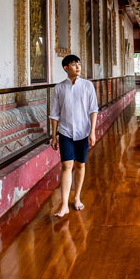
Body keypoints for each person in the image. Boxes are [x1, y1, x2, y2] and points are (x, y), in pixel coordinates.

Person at [49, 54, 99, 218]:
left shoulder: (87, 86)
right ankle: (64, 204)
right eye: (73, 64)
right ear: (66, 68)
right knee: (66, 166)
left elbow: (93, 109)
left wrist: (92, 131)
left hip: (83, 132)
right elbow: (54, 114)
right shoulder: (59, 88)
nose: (78, 67)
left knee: (80, 165)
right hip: (65, 132)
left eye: (79, 64)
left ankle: (76, 197)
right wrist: (54, 136)